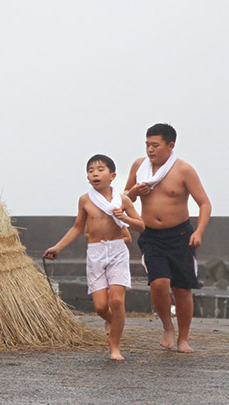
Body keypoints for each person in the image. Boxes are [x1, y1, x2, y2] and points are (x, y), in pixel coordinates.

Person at [44, 154, 145, 361]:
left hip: (117, 250)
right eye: (90, 171)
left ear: (112, 175)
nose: (95, 174)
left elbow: (141, 225)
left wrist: (124, 218)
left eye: (100, 169)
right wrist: (57, 247)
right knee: (100, 307)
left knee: (116, 300)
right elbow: (77, 228)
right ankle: (112, 320)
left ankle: (115, 347)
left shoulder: (122, 200)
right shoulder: (85, 200)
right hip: (96, 252)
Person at [124, 123, 211, 353]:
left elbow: (204, 203)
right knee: (159, 283)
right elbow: (124, 200)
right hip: (151, 235)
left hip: (180, 235)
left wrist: (198, 231)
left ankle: (183, 338)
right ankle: (166, 327)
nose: (150, 150)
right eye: (147, 145)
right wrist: (133, 193)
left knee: (182, 290)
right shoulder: (139, 167)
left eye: (155, 145)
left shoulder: (184, 170)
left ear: (171, 145)